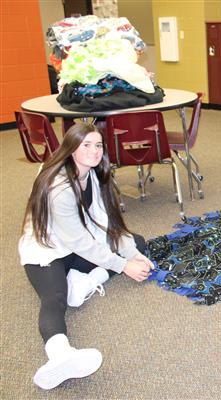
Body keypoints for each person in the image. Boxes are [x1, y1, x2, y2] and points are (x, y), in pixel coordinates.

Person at [19, 123, 154, 390]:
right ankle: (60, 355)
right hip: (47, 252)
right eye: (86, 145)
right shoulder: (57, 185)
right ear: (71, 149)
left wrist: (134, 255)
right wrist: (124, 265)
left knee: (136, 241)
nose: (94, 151)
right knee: (54, 297)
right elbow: (80, 242)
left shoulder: (93, 175)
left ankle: (85, 282)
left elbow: (110, 226)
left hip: (78, 245)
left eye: (98, 145)